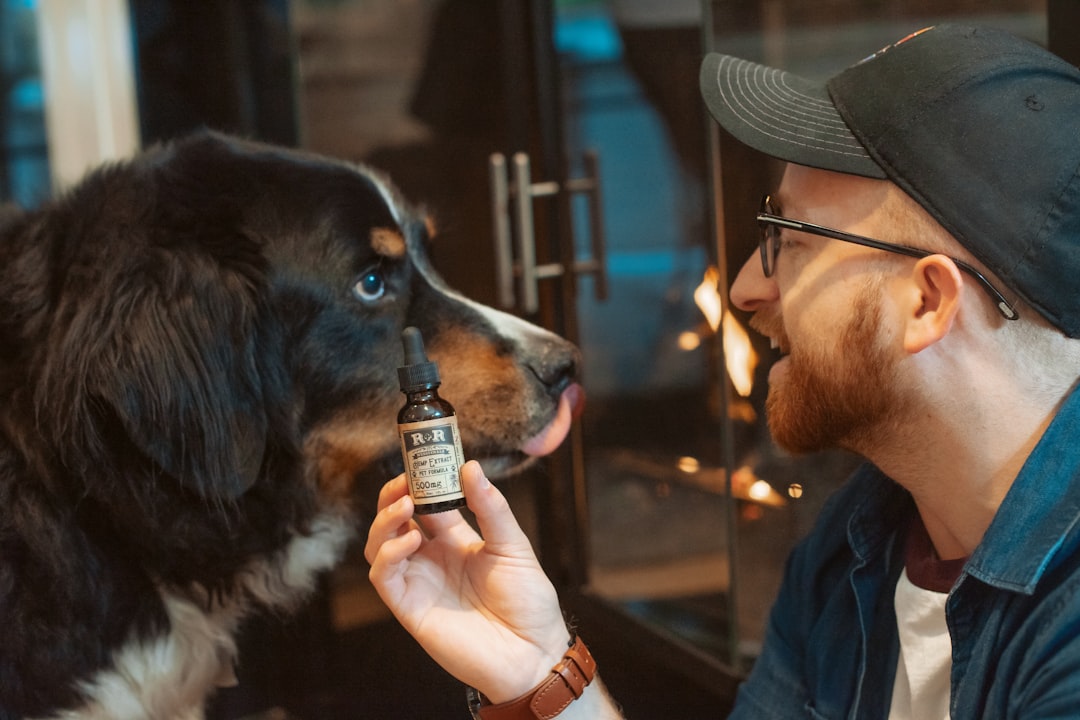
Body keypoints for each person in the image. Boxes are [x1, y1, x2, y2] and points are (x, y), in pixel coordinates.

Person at [365, 23, 1080, 719]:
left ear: (927, 301)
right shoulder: (855, 546)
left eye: (790, 241)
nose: (743, 288)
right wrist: (539, 671)